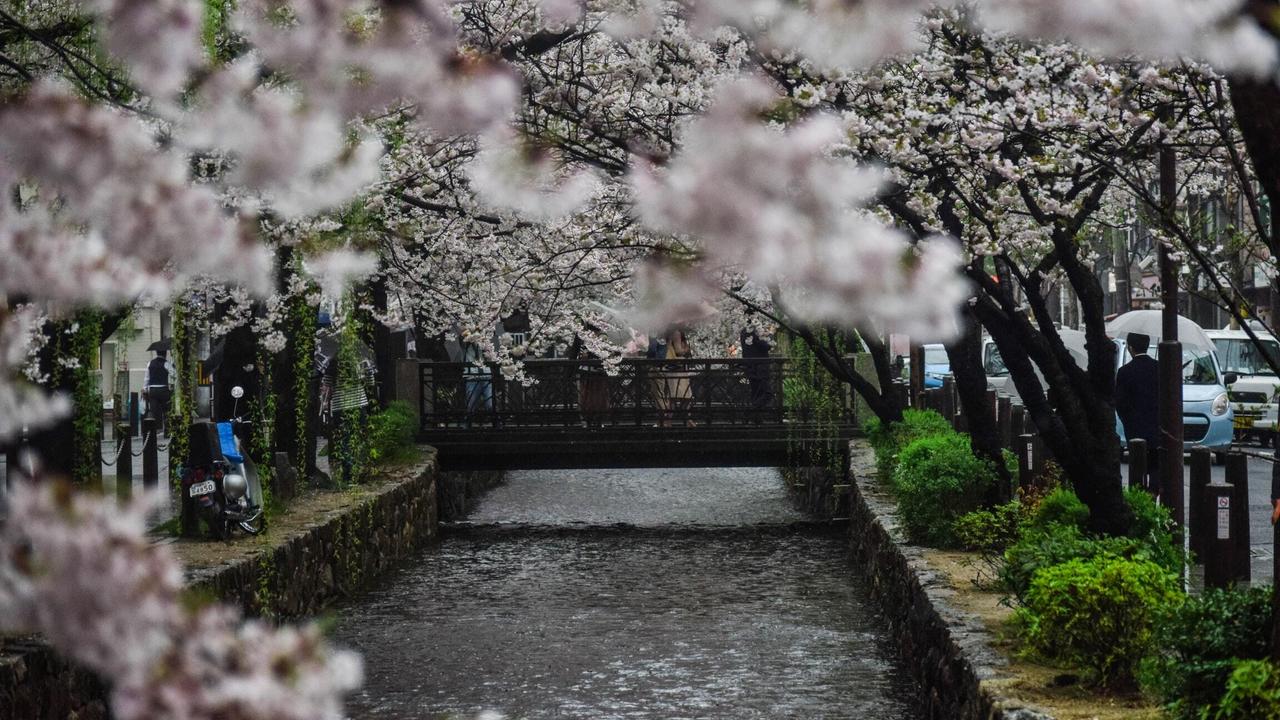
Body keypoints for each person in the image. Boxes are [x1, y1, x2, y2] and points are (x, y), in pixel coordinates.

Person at [1115, 332, 1160, 495]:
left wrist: (1127, 420)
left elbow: (1120, 402)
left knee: (1137, 465)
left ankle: (1139, 496)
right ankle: (1153, 493)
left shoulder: (1125, 371)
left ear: (1130, 348)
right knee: (1156, 464)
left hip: (1134, 426)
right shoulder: (1160, 368)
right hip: (1157, 426)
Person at [648, 328, 695, 427]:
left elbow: (652, 349)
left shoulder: (661, 332)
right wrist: (688, 349)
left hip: (667, 366)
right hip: (676, 367)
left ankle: (666, 421)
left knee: (668, 396)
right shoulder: (676, 332)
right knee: (681, 395)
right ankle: (683, 420)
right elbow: (678, 351)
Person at [739, 323, 774, 418]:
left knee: (756, 392)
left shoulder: (744, 332)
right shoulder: (755, 331)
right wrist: (770, 335)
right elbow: (766, 346)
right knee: (767, 393)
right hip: (760, 367)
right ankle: (751, 411)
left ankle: (755, 417)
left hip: (750, 367)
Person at [143, 348, 172, 435]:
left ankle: (152, 431)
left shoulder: (150, 363)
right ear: (165, 353)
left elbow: (146, 378)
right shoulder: (166, 363)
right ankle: (167, 431)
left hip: (152, 390)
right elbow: (174, 374)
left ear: (156, 353)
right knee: (166, 411)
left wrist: (145, 389)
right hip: (163, 390)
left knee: (153, 411)